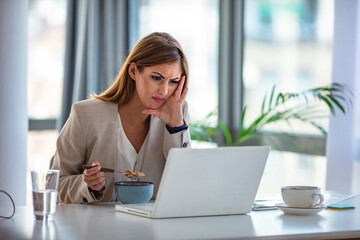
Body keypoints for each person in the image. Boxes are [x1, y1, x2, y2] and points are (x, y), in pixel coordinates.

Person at [52, 32, 191, 204]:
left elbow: (185, 184)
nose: (164, 91)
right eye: (156, 78)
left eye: (174, 82)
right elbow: (53, 184)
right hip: (95, 228)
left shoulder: (178, 113)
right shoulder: (85, 115)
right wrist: (86, 185)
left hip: (154, 228)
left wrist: (176, 126)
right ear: (133, 71)